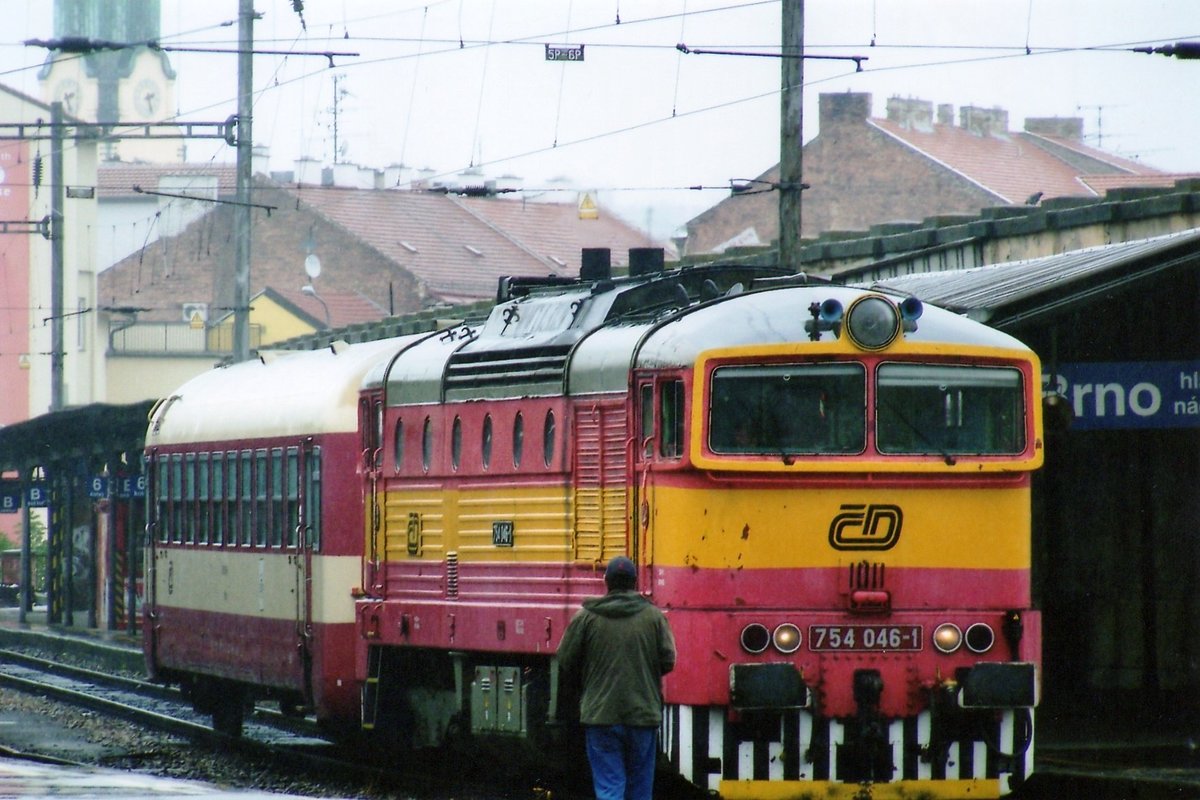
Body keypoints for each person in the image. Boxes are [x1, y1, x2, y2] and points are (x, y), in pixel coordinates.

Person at [557, 555, 676, 800]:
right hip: (642, 715)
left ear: (606, 582)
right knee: (640, 789)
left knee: (610, 786)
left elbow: (566, 660)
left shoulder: (586, 617)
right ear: (634, 582)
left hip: (601, 716)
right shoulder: (654, 618)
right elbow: (668, 661)